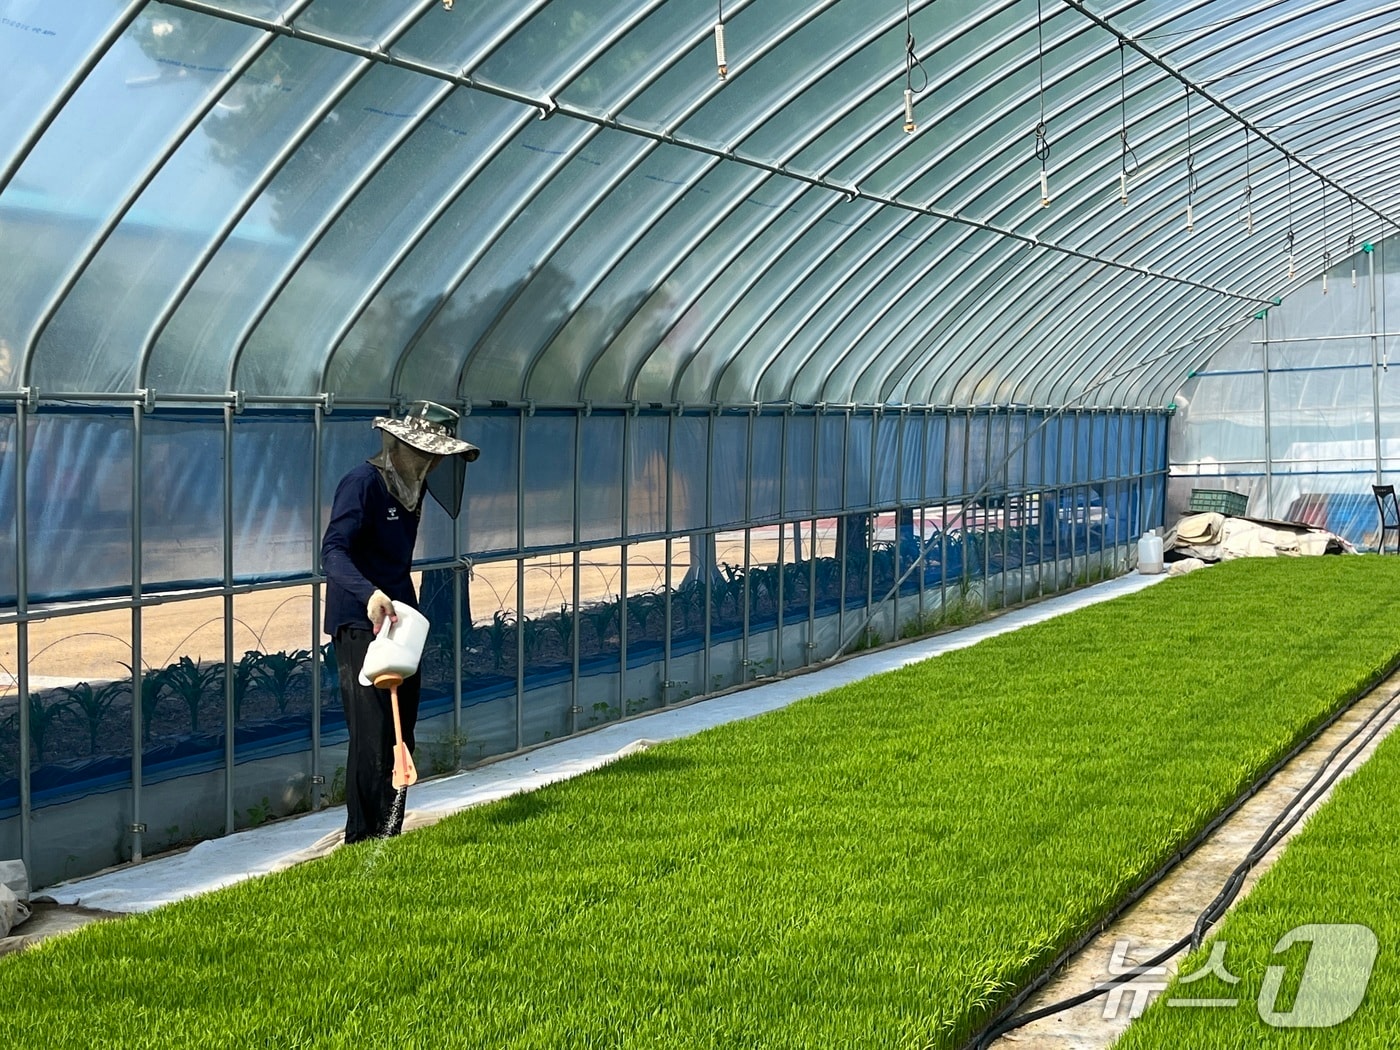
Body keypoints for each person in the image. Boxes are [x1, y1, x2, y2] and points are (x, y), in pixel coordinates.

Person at [321, 400, 479, 843]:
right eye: (424, 453)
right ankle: (362, 837)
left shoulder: (414, 490)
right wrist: (368, 594)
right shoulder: (362, 485)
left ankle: (391, 830)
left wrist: (398, 605)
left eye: (436, 456)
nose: (430, 463)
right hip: (360, 620)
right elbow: (332, 551)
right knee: (371, 734)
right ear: (400, 446)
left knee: (400, 728)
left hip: (400, 622)